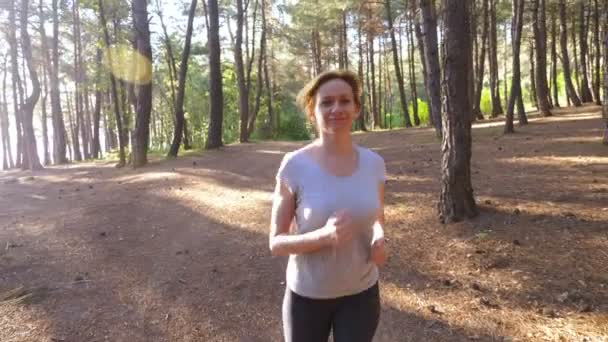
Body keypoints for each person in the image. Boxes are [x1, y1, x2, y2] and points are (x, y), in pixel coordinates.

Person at [269, 70, 387, 342]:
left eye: (345, 101)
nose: (337, 108)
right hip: (307, 298)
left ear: (356, 108)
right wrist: (322, 237)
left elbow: (377, 217)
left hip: (362, 295)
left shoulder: (374, 164)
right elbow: (276, 242)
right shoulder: (294, 165)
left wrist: (380, 238)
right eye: (326, 102)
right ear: (312, 111)